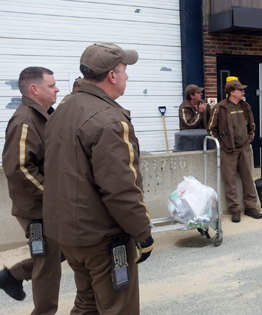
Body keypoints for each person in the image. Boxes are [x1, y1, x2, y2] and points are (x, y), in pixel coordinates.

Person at [43, 43, 153, 314]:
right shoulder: (109, 120)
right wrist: (143, 232)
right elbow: (120, 189)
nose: (127, 76)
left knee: (88, 301)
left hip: (69, 231)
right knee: (118, 306)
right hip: (103, 237)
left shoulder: (65, 109)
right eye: (125, 70)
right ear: (112, 75)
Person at [1, 66, 64, 314]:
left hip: (48, 205)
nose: (57, 88)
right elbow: (19, 168)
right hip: (37, 209)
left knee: (63, 251)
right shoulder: (25, 120)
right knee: (48, 267)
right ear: (34, 89)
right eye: (51, 85)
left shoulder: (45, 115)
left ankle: (13, 275)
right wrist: (54, 195)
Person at [208, 80, 262, 222]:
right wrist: (222, 144)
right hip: (228, 151)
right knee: (230, 181)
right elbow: (211, 129)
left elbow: (252, 124)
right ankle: (235, 210)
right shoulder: (220, 108)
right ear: (232, 92)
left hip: (244, 148)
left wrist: (250, 138)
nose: (243, 92)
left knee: (248, 178)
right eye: (240, 90)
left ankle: (251, 207)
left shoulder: (245, 106)